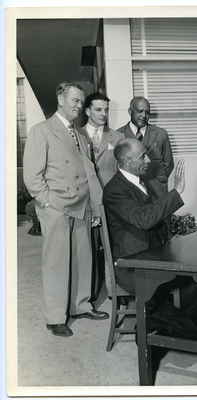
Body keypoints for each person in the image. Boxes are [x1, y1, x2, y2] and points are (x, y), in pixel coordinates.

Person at [103, 138, 197, 338]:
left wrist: (172, 238)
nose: (148, 159)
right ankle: (171, 327)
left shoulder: (138, 182)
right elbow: (144, 220)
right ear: (127, 161)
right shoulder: (115, 189)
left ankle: (167, 324)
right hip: (132, 265)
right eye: (142, 156)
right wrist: (177, 191)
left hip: (151, 255)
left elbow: (155, 220)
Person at [23, 81, 109, 338]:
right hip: (57, 208)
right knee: (57, 263)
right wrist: (46, 201)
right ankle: (55, 317)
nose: (80, 106)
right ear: (61, 99)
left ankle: (81, 305)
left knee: (84, 259)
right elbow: (32, 176)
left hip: (82, 205)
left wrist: (95, 207)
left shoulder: (80, 133)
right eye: (75, 101)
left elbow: (89, 172)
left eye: (82, 102)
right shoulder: (42, 130)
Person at [80, 92, 124, 301]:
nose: (103, 114)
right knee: (86, 251)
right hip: (84, 202)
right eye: (98, 109)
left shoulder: (118, 137)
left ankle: (114, 293)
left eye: (106, 110)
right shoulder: (76, 135)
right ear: (87, 111)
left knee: (111, 249)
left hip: (110, 203)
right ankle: (87, 298)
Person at [117, 97, 174, 199]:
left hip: (158, 193)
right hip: (131, 194)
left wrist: (158, 180)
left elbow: (168, 164)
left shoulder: (161, 134)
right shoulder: (119, 135)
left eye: (147, 112)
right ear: (130, 111)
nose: (144, 116)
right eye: (140, 111)